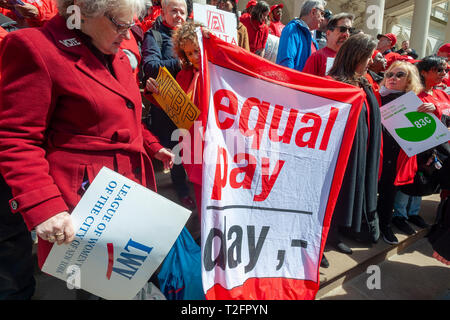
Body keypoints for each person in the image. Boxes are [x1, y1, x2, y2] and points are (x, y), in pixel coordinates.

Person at [0, 0, 174, 280]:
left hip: (130, 197)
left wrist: (153, 147)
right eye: (120, 24)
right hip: (83, 207)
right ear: (83, 11)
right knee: (100, 286)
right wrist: (44, 208)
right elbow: (16, 139)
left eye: (130, 25)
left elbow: (127, 117)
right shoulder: (34, 47)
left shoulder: (114, 50)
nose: (127, 33)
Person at [328, 33, 382, 250]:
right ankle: (324, 240)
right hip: (338, 154)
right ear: (356, 56)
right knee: (333, 195)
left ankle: (337, 232)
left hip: (361, 150)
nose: (372, 61)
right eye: (369, 56)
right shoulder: (332, 84)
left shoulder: (363, 82)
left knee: (347, 194)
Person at [141, 0, 197, 210]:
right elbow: (150, 66)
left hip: (193, 104)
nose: (179, 16)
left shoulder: (192, 35)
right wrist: (180, 63)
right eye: (173, 11)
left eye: (182, 12)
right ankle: (181, 189)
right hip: (168, 108)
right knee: (175, 150)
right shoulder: (153, 35)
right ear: (163, 11)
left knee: (194, 149)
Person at [376, 61, 427, 244]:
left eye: (399, 75)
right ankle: (368, 224)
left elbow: (424, 134)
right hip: (376, 152)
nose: (392, 78)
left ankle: (385, 226)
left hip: (397, 154)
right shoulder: (376, 95)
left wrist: (429, 112)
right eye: (389, 74)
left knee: (389, 192)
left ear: (409, 81)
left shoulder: (414, 102)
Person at [276, 0, 325, 72]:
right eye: (322, 13)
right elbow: (286, 62)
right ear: (313, 12)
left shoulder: (313, 41)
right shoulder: (292, 29)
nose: (323, 18)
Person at [303, 12, 354, 77]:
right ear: (328, 33)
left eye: (350, 30)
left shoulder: (350, 59)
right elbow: (305, 83)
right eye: (342, 29)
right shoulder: (317, 58)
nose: (346, 34)